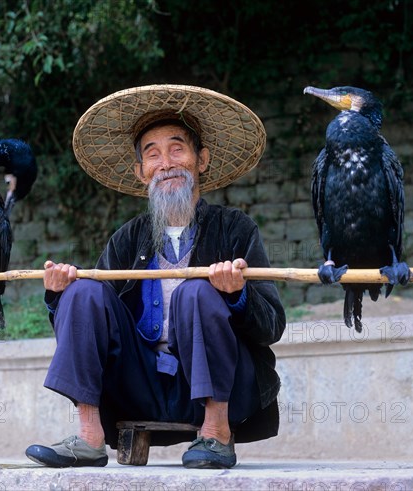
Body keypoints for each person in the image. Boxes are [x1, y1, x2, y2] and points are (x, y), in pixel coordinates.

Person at [25, 85, 286, 469]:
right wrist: (58, 295)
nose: (166, 163)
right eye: (152, 154)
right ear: (141, 172)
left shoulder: (235, 229)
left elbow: (272, 326)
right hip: (140, 385)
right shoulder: (128, 238)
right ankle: (88, 438)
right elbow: (83, 325)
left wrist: (236, 296)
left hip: (217, 384)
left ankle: (215, 435)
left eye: (177, 149)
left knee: (196, 292)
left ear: (202, 160)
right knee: (83, 293)